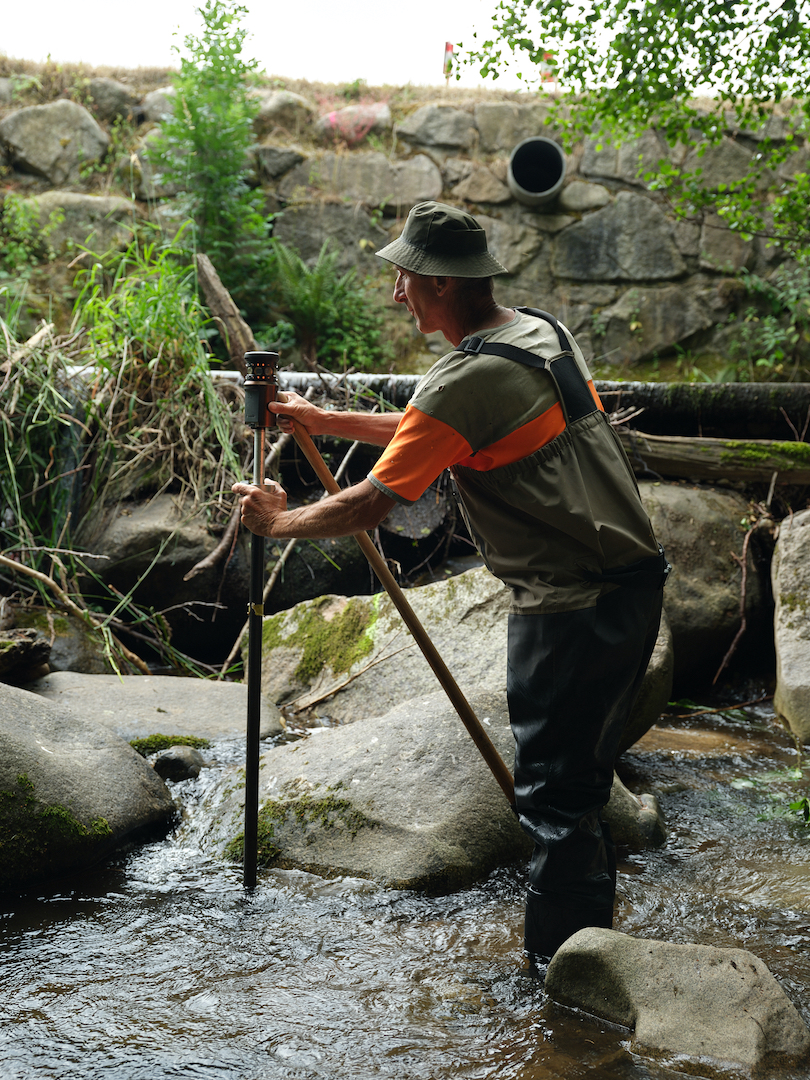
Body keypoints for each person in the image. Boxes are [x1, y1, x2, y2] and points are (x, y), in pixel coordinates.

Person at [233, 201, 668, 972]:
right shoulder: (537, 333)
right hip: (632, 589)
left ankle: (563, 982)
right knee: (580, 788)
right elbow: (432, 427)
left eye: (403, 277)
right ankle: (600, 962)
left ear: (438, 283)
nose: (396, 292)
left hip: (570, 608)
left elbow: (374, 500)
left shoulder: (463, 378)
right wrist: (324, 418)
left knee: (555, 805)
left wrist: (278, 524)